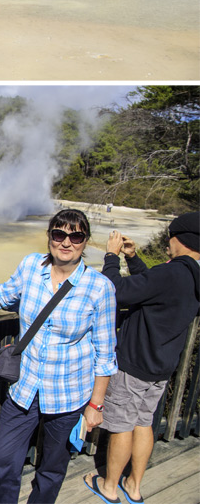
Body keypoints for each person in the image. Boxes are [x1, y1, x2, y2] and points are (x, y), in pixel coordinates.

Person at [0, 209, 116, 504]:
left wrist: (95, 405)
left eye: (75, 236)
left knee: (51, 468)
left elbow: (105, 353)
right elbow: (4, 294)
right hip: (25, 388)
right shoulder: (32, 266)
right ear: (49, 237)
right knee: (1, 460)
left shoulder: (100, 288)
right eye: (59, 234)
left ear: (85, 242)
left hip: (68, 394)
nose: (66, 242)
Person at [84, 212, 200, 504]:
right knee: (143, 423)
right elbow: (154, 288)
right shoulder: (191, 275)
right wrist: (133, 259)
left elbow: (115, 292)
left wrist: (111, 257)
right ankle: (134, 486)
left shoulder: (171, 272)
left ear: (178, 239)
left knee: (122, 426)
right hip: (161, 367)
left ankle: (109, 487)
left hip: (135, 362)